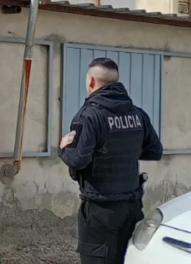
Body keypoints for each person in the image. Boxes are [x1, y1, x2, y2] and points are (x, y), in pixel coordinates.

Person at [60, 58, 163, 264]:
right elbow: (154, 151)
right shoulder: (137, 114)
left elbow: (78, 159)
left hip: (101, 209)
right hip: (131, 206)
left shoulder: (89, 116)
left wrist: (64, 148)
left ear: (91, 81)